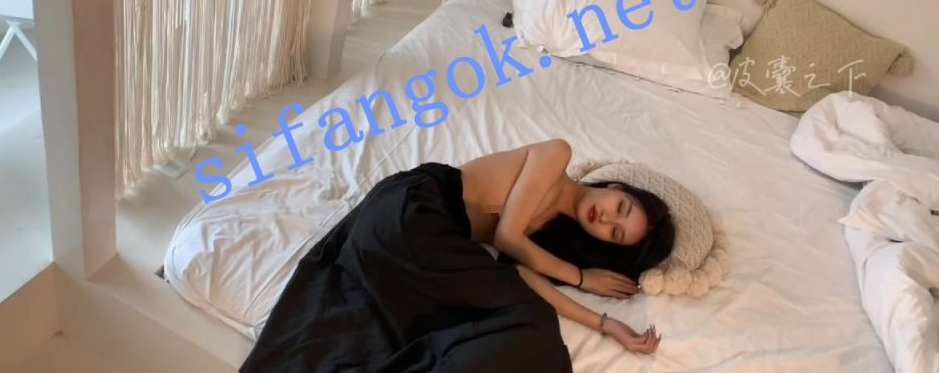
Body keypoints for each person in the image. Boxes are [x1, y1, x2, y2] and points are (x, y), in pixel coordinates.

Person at [240, 139, 676, 373]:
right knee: (527, 322)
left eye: (614, 234)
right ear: (617, 187)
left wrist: (604, 323)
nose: (606, 219)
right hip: (411, 208)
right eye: (621, 208)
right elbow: (507, 236)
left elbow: (521, 282)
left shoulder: (547, 238)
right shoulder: (556, 155)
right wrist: (581, 277)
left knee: (529, 324)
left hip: (430, 240)